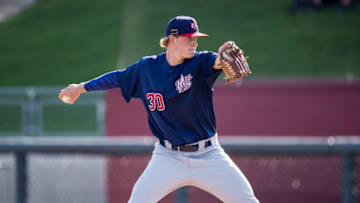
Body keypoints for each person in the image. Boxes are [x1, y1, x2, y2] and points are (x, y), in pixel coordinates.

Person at [59, 16, 259, 203]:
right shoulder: (146, 68)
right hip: (168, 157)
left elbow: (217, 61)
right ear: (173, 38)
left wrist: (223, 59)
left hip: (209, 155)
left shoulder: (201, 62)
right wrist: (81, 87)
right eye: (189, 38)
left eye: (196, 38)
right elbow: (117, 78)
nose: (194, 43)